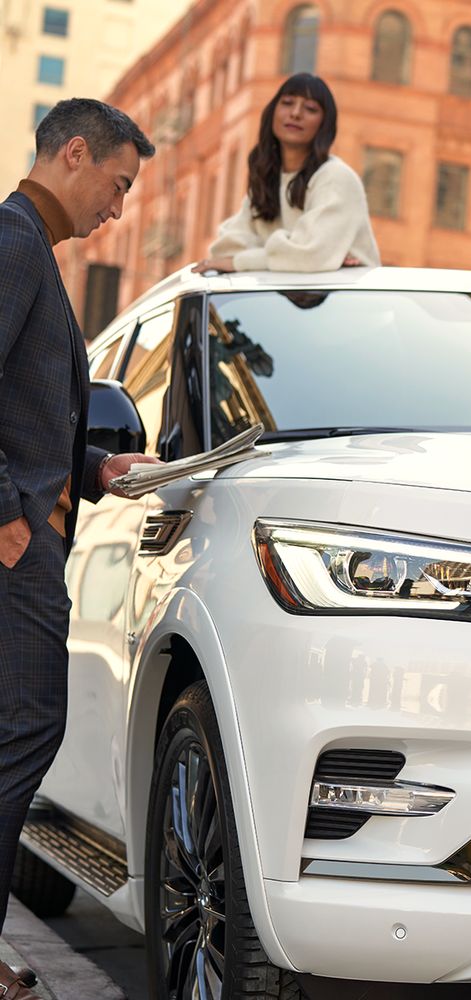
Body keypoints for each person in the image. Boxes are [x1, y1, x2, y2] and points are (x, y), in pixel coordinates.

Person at [0, 97, 160, 988]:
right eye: (118, 183)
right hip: (16, 547)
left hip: (32, 531)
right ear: (73, 153)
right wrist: (7, 517)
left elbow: (27, 411)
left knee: (18, 733)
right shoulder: (16, 241)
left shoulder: (29, 246)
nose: (119, 208)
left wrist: (97, 468)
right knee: (28, 729)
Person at [193, 73, 380, 274]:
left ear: (324, 124)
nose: (296, 113)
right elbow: (225, 250)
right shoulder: (267, 181)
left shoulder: (336, 178)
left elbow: (309, 256)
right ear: (273, 111)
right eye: (287, 103)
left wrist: (246, 260)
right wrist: (291, 254)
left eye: (310, 109)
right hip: (286, 292)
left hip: (345, 292)